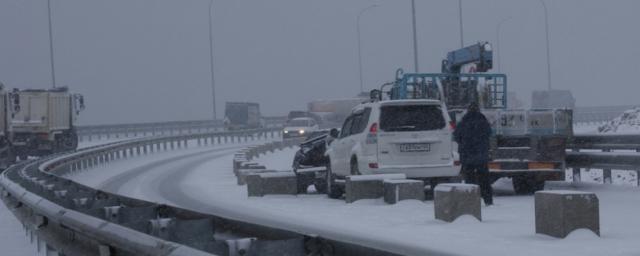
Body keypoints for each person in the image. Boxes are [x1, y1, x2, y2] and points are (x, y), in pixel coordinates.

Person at [453, 102, 494, 205]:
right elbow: (489, 134)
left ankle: (471, 200)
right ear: (478, 110)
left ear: (468, 110)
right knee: (484, 179)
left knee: (469, 179)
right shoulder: (483, 121)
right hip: (481, 156)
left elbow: (456, 136)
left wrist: (465, 144)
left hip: (467, 156)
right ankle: (488, 200)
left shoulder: (463, 122)